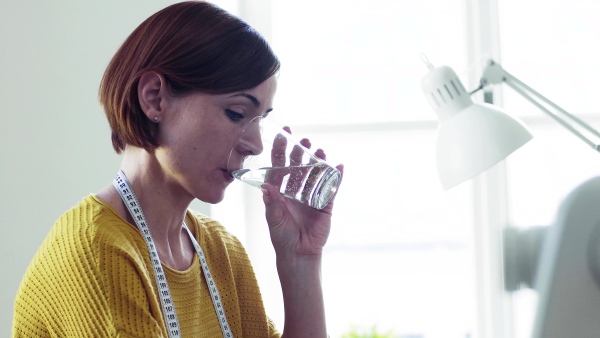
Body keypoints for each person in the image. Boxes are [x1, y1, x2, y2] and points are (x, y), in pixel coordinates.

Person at [12, 1, 343, 337]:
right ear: (155, 98)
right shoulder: (97, 251)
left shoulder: (221, 252)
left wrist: (301, 258)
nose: (256, 145)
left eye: (261, 120)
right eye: (236, 113)